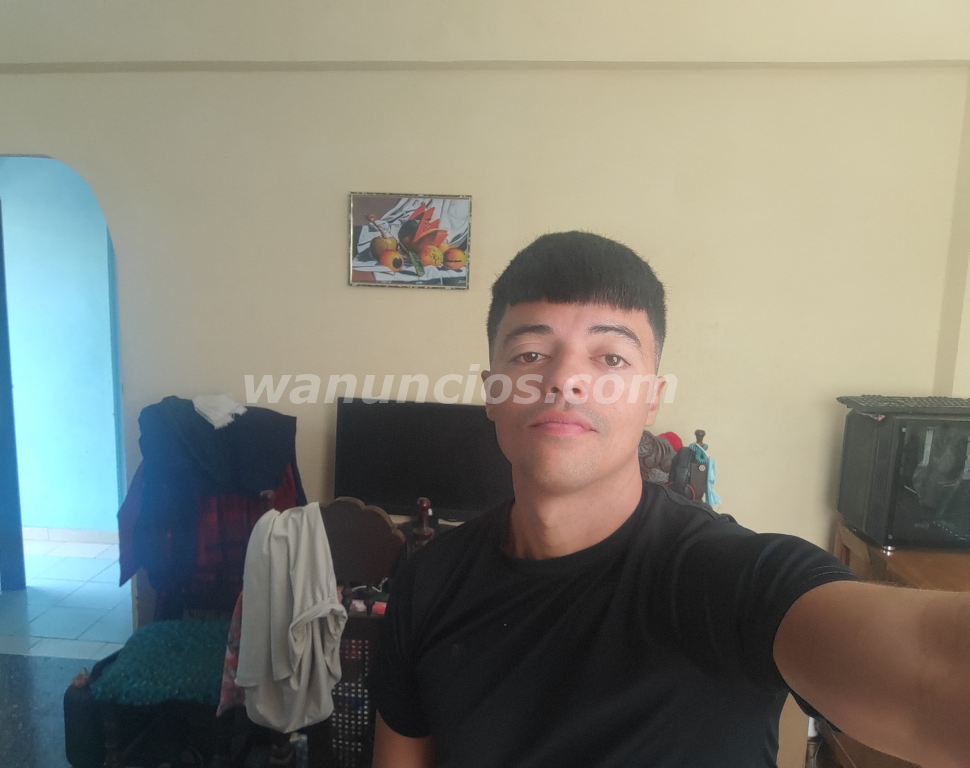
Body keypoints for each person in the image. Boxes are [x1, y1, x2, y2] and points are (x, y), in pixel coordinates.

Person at [368, 231, 970, 768]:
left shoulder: (726, 580)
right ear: (492, 392)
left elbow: (931, 675)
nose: (565, 379)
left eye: (610, 357)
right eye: (530, 355)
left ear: (652, 398)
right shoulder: (429, 582)